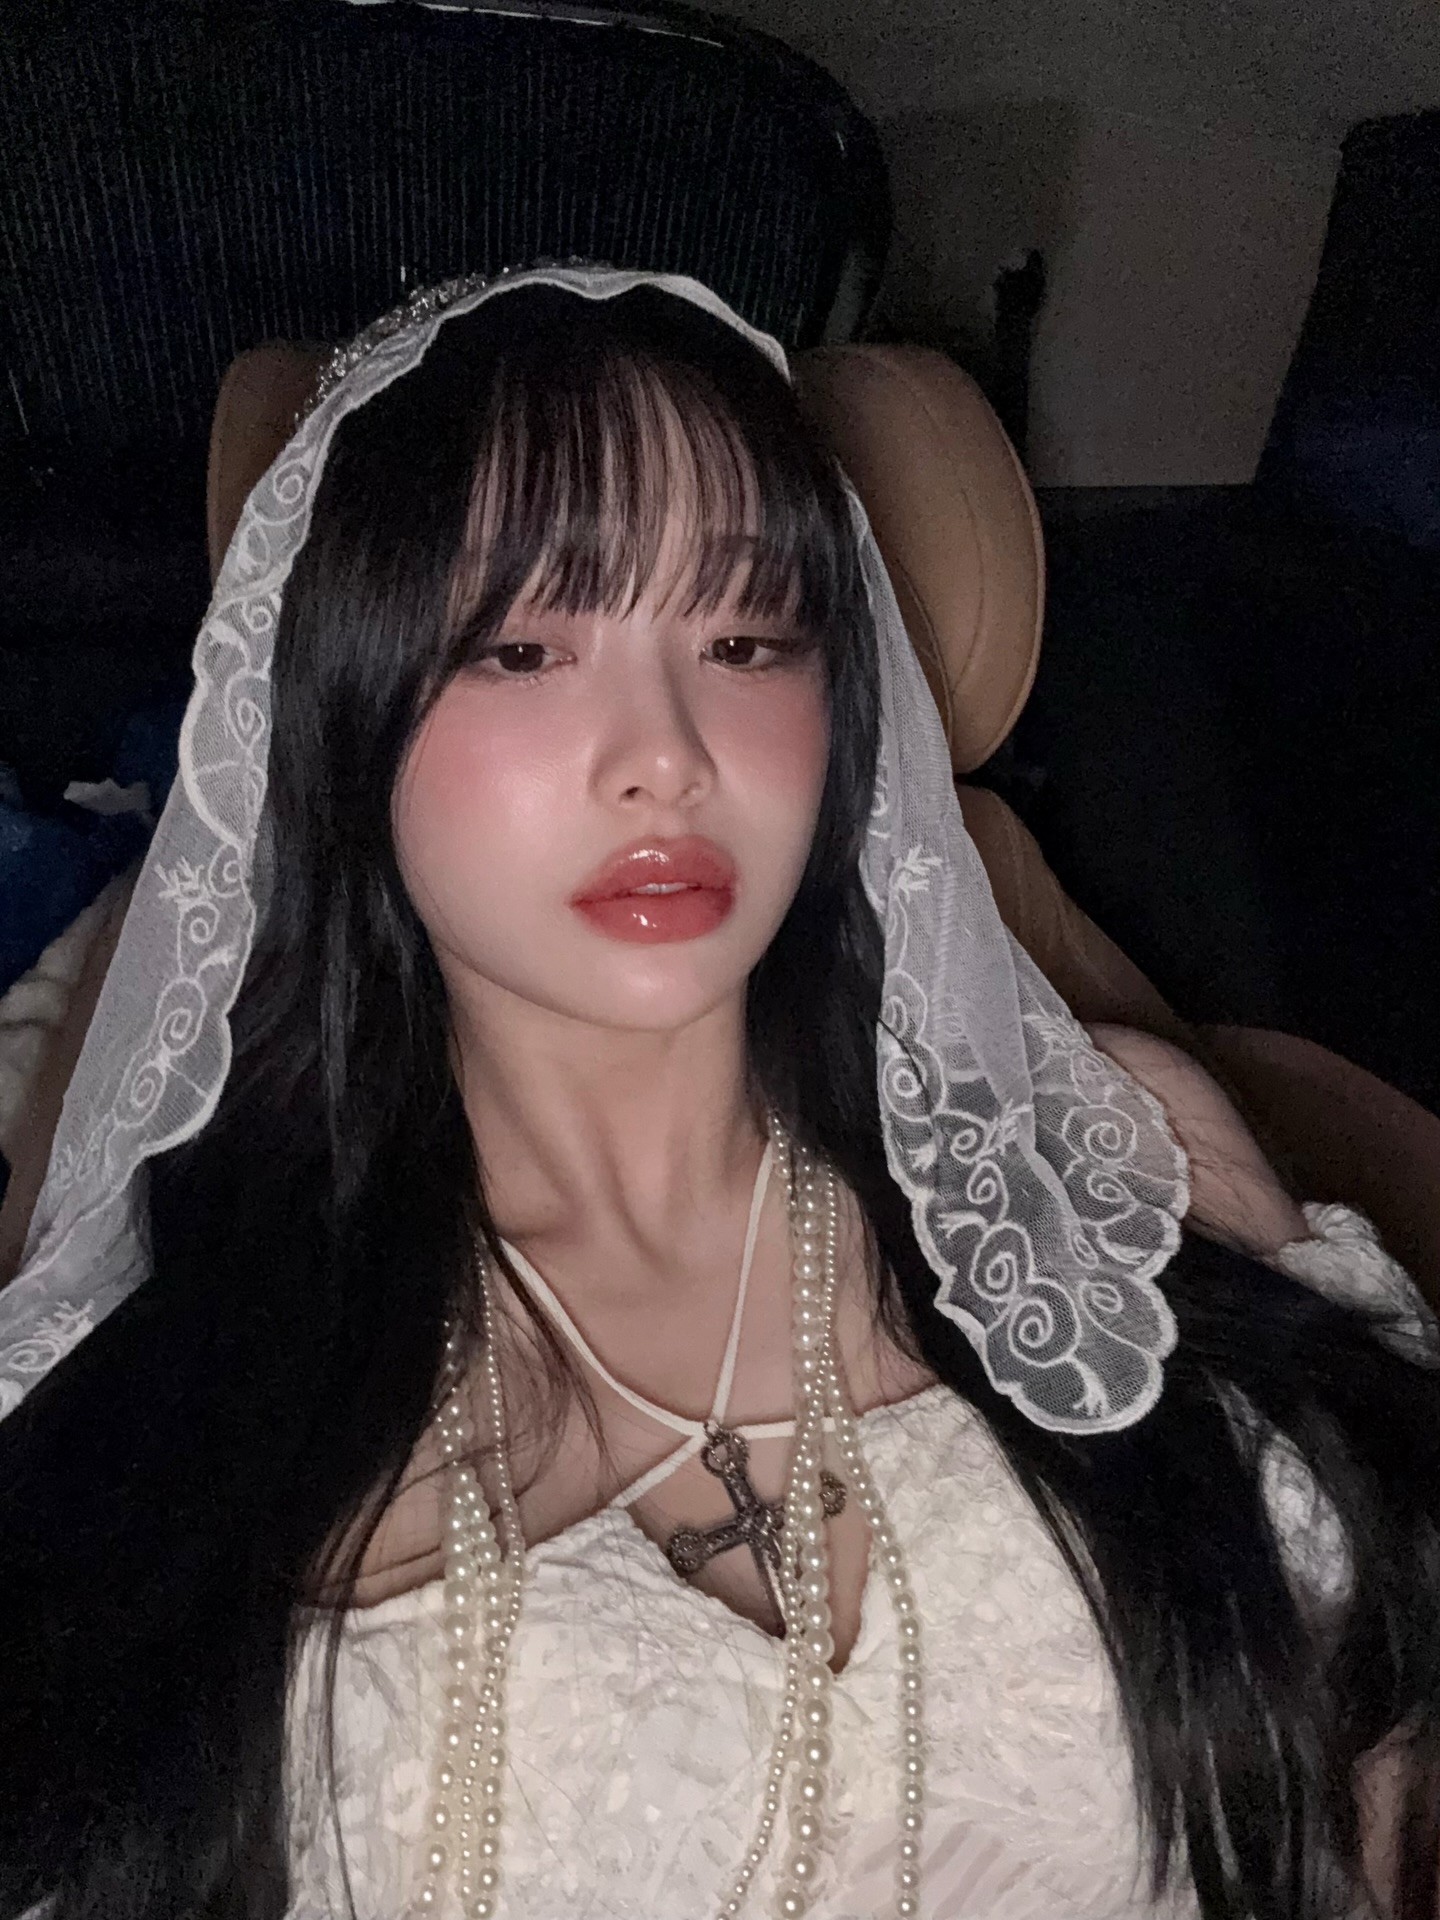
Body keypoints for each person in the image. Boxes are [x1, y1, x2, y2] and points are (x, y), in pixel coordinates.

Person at [0, 265, 1437, 1920]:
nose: (667, 753)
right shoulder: (193, 1346)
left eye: (747, 639)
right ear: (341, 719)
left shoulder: (1110, 1156)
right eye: (521, 646)